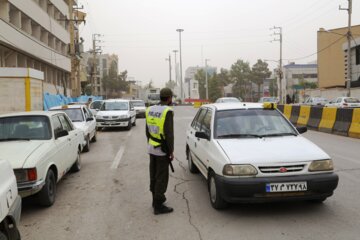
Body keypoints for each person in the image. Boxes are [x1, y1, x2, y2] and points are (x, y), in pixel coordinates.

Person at [145, 88, 174, 215]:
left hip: (152, 148)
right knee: (162, 177)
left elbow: (147, 131)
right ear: (169, 98)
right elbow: (169, 134)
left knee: (153, 175)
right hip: (162, 150)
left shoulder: (150, 109)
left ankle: (154, 200)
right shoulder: (167, 111)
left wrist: (151, 143)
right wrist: (171, 151)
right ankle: (158, 205)